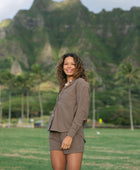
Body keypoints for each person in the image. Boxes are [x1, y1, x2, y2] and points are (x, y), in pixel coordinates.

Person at [48, 53, 90, 170]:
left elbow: (82, 112)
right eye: (66, 64)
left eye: (73, 64)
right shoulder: (63, 85)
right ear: (62, 66)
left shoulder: (81, 84)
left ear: (78, 67)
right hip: (55, 134)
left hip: (73, 134)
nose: (69, 66)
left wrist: (70, 136)